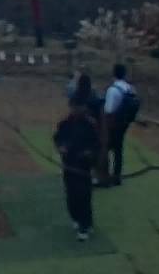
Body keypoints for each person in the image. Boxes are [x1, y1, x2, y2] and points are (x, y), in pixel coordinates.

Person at [54, 97, 99, 241]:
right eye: (75, 107)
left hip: (84, 166)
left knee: (84, 195)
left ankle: (85, 225)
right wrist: (61, 147)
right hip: (69, 165)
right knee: (71, 195)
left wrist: (90, 153)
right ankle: (76, 218)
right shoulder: (65, 124)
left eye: (80, 107)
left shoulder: (90, 125)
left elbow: (97, 144)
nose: (77, 110)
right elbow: (57, 138)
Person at [102, 63, 139, 187]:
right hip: (125, 123)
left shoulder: (112, 90)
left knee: (104, 149)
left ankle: (104, 176)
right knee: (118, 150)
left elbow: (108, 110)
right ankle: (117, 177)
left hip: (113, 124)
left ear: (113, 74)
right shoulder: (130, 88)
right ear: (124, 74)